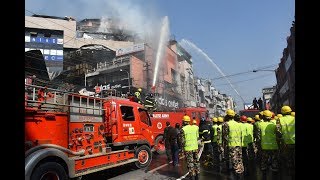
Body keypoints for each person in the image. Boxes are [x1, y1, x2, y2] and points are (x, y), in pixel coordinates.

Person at [222, 109, 244, 179]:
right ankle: (241, 175)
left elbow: (225, 136)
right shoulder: (238, 124)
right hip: (239, 144)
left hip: (232, 145)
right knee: (239, 160)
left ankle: (237, 176)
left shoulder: (226, 124)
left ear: (227, 116)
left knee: (234, 161)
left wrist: (224, 146)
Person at [258, 110, 280, 177]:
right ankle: (275, 175)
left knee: (264, 162)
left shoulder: (260, 124)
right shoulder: (274, 124)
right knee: (274, 161)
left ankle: (264, 175)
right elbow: (278, 134)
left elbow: (258, 137)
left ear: (263, 116)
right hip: (274, 146)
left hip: (264, 146)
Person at [178, 115, 200, 180]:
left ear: (184, 122)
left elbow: (182, 142)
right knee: (196, 162)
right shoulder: (194, 127)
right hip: (195, 148)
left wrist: (181, 151)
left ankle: (192, 176)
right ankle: (197, 176)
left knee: (190, 163)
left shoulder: (183, 129)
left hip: (188, 149)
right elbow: (197, 137)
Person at [276, 105, 295, 178]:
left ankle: (290, 173)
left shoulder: (279, 120)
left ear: (282, 112)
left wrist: (280, 139)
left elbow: (278, 131)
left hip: (285, 143)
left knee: (288, 158)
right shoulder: (294, 119)